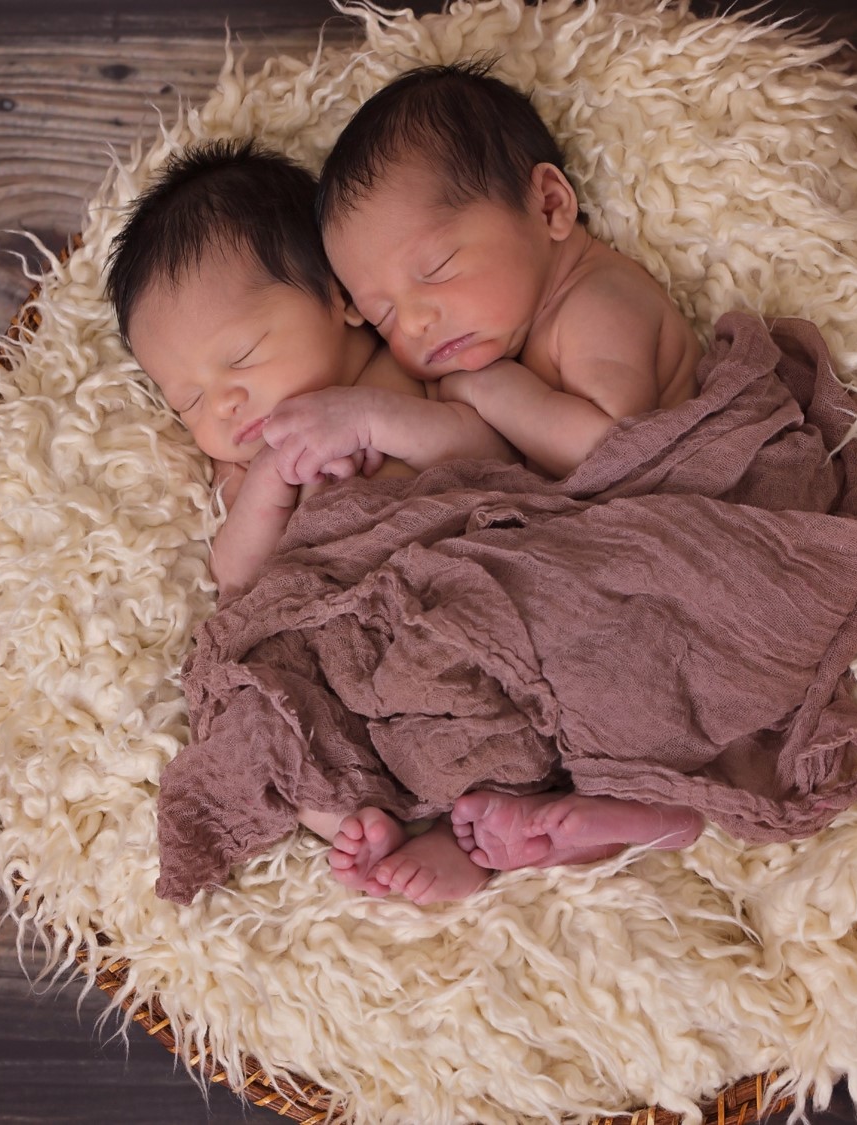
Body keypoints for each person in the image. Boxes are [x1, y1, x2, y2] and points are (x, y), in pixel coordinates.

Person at [292, 61, 709, 882]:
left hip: (672, 553)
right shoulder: (515, 327)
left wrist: (490, 387)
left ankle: (648, 812)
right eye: (381, 313)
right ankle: (488, 833)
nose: (414, 321)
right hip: (600, 567)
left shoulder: (600, 302)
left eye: (437, 269)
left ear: (550, 206)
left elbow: (610, 450)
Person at [106, 140, 511, 904]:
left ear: (341, 295)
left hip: (449, 601)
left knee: (522, 683)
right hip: (338, 652)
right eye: (187, 399)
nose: (222, 403)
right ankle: (359, 821)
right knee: (263, 711)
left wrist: (368, 418)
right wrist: (270, 480)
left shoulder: (411, 372)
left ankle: (484, 833)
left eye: (243, 356)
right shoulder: (248, 468)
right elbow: (238, 576)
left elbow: (488, 453)